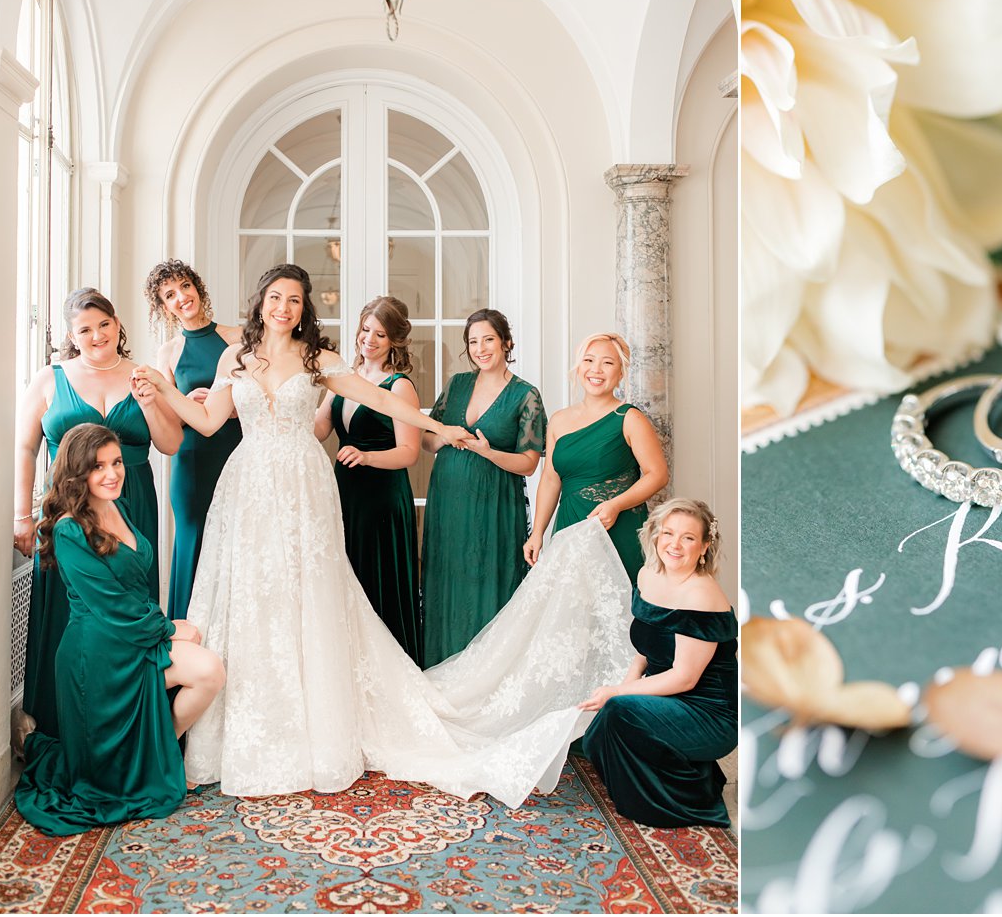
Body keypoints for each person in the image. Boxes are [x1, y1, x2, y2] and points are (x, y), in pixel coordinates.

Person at [132, 263, 635, 803]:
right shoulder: (237, 358)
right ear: (260, 303)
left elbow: (383, 401)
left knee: (309, 597)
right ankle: (245, 729)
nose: (284, 308)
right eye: (276, 297)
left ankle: (315, 729)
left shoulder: (318, 360)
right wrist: (161, 389)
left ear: (305, 309)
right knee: (253, 600)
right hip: (248, 486)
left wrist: (438, 427)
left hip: (304, 486)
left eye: (295, 300)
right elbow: (207, 422)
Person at [14, 424, 226, 836]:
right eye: (98, 467)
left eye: (115, 463)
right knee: (203, 664)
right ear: (78, 473)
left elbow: (130, 586)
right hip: (97, 653)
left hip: (129, 634)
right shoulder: (69, 528)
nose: (112, 473)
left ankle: (155, 753)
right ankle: (143, 757)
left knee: (209, 670)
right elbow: (109, 605)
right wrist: (168, 629)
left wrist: (166, 626)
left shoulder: (117, 506)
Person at [14, 287, 183, 737]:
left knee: (129, 611)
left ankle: (130, 725)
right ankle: (58, 723)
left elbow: (171, 444)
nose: (96, 335)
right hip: (67, 512)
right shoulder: (50, 378)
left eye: (103, 324)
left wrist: (149, 400)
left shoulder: (143, 376)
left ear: (117, 324)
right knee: (70, 613)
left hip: (132, 504)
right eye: (85, 329)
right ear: (72, 335)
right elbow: (26, 447)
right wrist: (21, 515)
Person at [580, 498, 736, 828]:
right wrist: (628, 681)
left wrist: (620, 692)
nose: (675, 545)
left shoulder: (701, 595)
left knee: (619, 712)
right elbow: (646, 646)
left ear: (705, 546)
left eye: (688, 538)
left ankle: (681, 797)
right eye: (668, 533)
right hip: (669, 695)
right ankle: (669, 774)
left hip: (708, 712)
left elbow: (684, 678)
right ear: (655, 536)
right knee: (598, 732)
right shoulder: (648, 574)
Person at [420, 308, 545, 667]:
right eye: (473, 342)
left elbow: (529, 462)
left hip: (494, 503)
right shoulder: (457, 384)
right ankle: (443, 667)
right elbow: (428, 442)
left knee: (488, 579)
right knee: (448, 581)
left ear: (506, 342)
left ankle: (488, 673)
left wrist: (490, 453)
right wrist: (444, 436)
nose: (480, 348)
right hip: (448, 500)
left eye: (488, 339)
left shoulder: (526, 394)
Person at [315, 295, 423, 662]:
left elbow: (409, 451)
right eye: (365, 330)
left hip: (382, 499)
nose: (370, 339)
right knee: (348, 577)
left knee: (378, 584)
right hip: (345, 494)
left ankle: (386, 666)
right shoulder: (343, 379)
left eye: (380, 333)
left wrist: (366, 456)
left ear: (394, 340)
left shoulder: (399, 386)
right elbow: (319, 429)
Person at [525, 333, 669, 580]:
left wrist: (615, 505)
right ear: (579, 367)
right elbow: (550, 480)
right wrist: (537, 532)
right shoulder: (559, 421)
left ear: (621, 372)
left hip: (617, 525)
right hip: (570, 524)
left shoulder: (629, 418)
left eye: (608, 363)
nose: (596, 370)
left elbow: (658, 475)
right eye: (589, 361)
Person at [145, 260, 242, 621]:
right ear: (164, 307)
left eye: (185, 286)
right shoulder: (168, 353)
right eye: (170, 295)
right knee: (193, 539)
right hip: (193, 461)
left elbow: (259, 395)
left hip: (236, 451)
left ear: (197, 288)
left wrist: (226, 407)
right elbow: (170, 418)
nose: (181, 297)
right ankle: (186, 638)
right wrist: (190, 402)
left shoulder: (236, 338)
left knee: (235, 540)